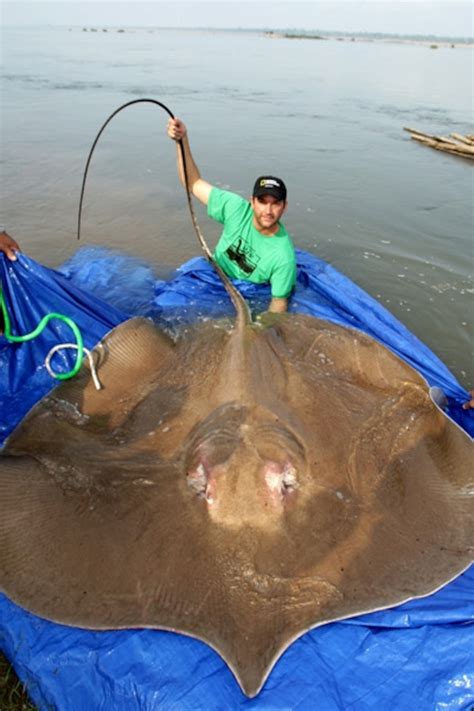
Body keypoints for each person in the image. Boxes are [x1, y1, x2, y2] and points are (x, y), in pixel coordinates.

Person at [167, 118, 296, 313]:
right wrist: (182, 141)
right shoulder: (236, 208)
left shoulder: (283, 257)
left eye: (275, 203)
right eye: (262, 202)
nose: (268, 211)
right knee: (167, 303)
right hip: (215, 273)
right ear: (252, 201)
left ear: (284, 207)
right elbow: (193, 183)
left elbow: (278, 303)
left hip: (248, 292)